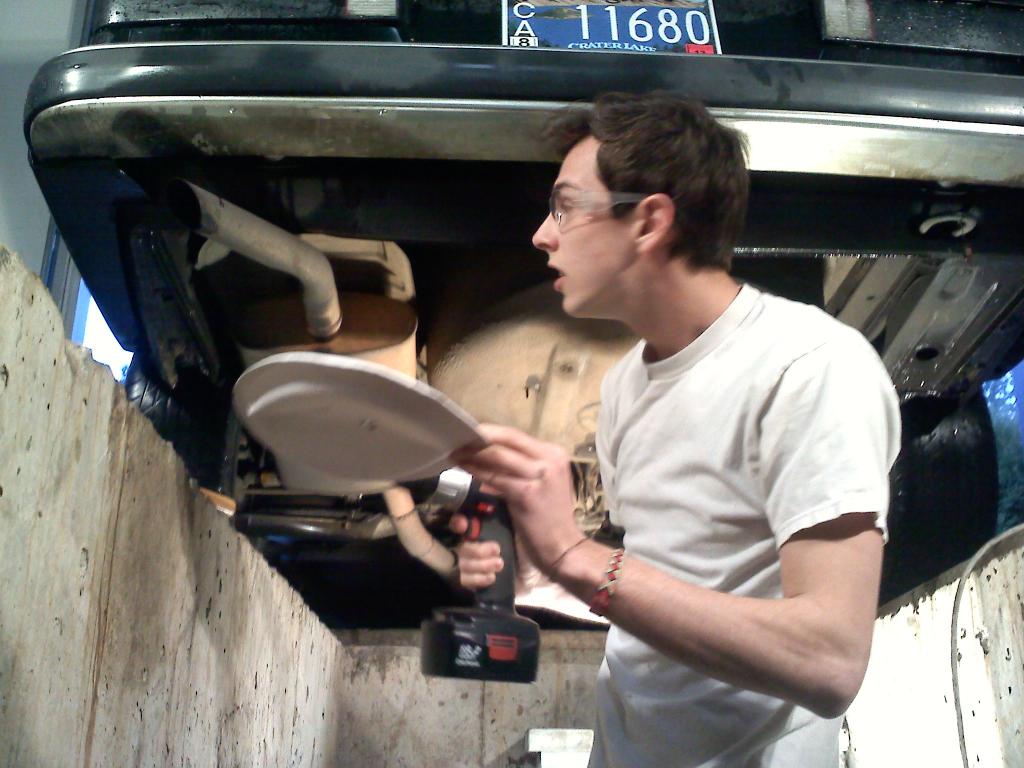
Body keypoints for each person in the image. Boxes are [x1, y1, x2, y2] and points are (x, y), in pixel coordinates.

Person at [449, 92, 901, 767]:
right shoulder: (627, 387)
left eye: (565, 207)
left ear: (649, 221)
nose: (543, 234)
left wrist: (575, 555)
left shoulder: (809, 367)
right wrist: (539, 575)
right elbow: (657, 593)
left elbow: (830, 662)